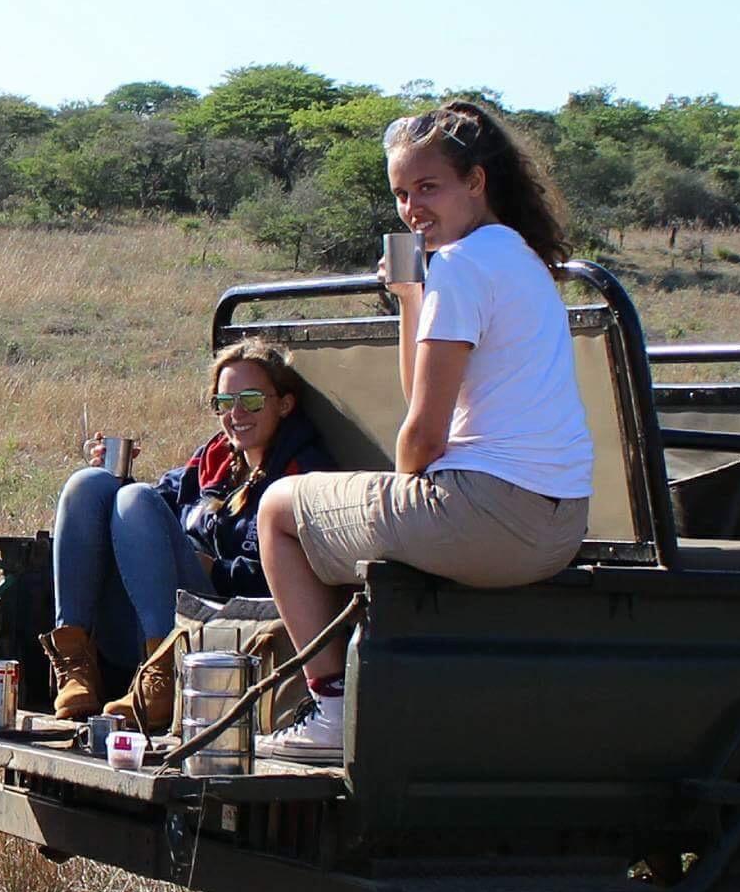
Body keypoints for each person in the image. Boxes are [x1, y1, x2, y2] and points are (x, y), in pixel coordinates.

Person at [254, 101, 594, 765]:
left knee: (277, 511)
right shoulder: (515, 257)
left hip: (491, 516)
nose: (413, 210)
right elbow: (428, 394)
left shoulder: (464, 266)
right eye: (402, 194)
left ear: (476, 181)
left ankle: (333, 706)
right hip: (557, 525)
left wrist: (404, 476)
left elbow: (423, 440)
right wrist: (411, 298)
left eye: (428, 187)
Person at [42, 342, 331, 732]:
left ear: (284, 404)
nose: (236, 413)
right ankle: (75, 667)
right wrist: (114, 475)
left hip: (225, 639)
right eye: (225, 401)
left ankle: (165, 681)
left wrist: (216, 571)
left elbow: (297, 580)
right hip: (152, 622)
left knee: (134, 496)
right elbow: (145, 513)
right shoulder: (212, 461)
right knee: (92, 484)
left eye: (250, 400)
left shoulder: (302, 474)